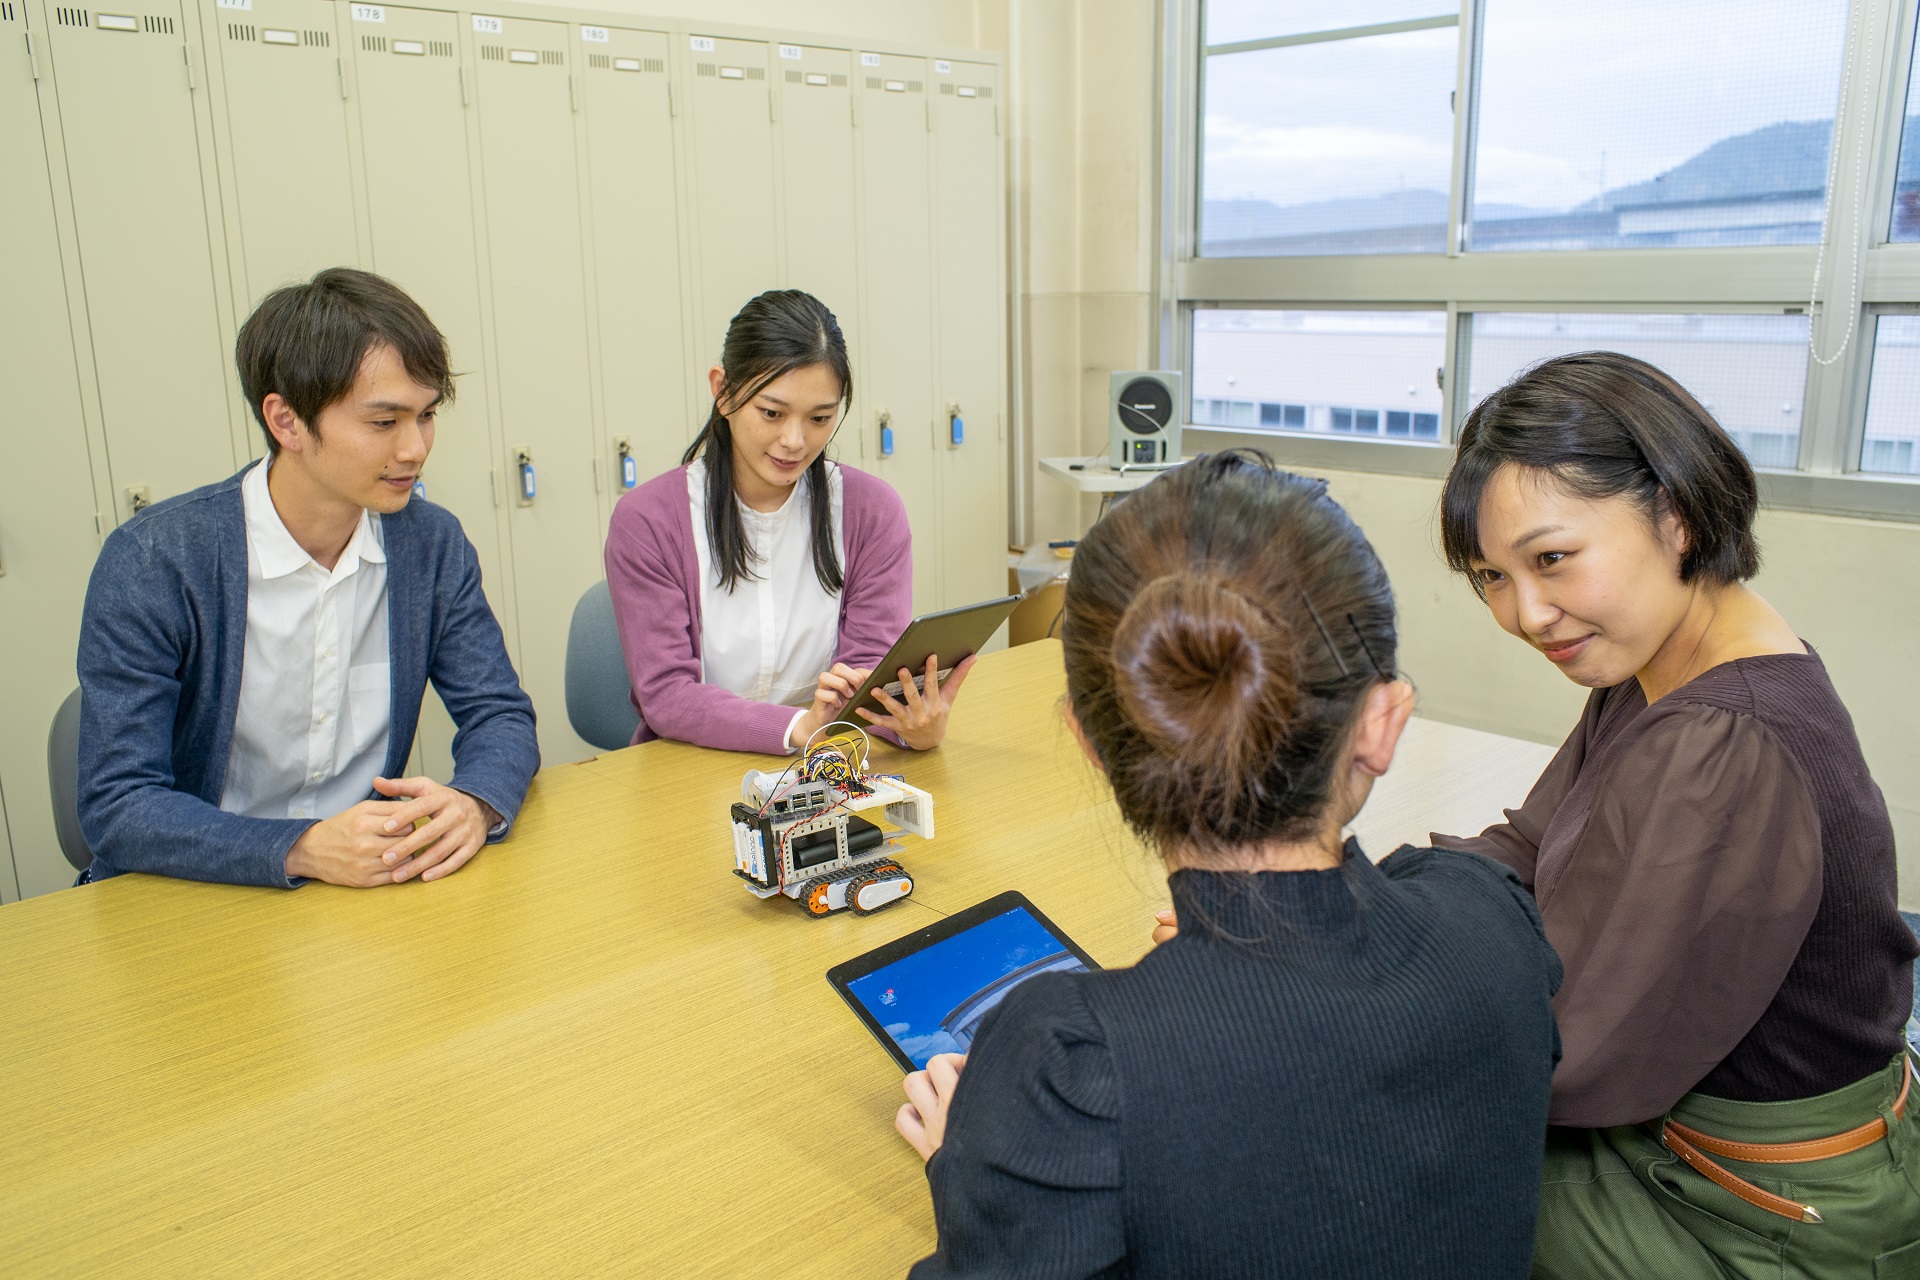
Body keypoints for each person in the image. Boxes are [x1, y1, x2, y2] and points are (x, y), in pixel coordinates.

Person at [893, 450, 1563, 1279]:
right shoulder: (1494, 925)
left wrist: (971, 1160)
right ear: (1384, 724)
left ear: (1091, 746)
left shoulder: (1069, 1066)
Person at [1430, 352, 1920, 1276]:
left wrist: (1329, 992)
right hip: (1705, 1139)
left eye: (1551, 559)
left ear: (1676, 516)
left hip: (1765, 1209)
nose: (1525, 614)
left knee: (1374, 1179)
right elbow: (1528, 850)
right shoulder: (1668, 660)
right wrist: (1340, 911)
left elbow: (1564, 1054)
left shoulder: (1722, 739)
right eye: (1490, 577)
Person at [76, 268, 539, 889]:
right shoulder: (156, 561)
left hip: (364, 893)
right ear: (287, 421)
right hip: (190, 891)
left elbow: (499, 714)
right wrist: (300, 848)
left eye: (426, 416)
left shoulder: (430, 544)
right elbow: (118, 804)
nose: (415, 448)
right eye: (384, 423)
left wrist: (473, 803)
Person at [605, 289, 969, 755]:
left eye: (820, 417)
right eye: (771, 413)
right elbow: (667, 695)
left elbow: (867, 681)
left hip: (828, 764)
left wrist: (911, 725)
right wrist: (798, 727)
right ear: (723, 390)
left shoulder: (872, 512)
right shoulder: (649, 521)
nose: (794, 441)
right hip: (689, 767)